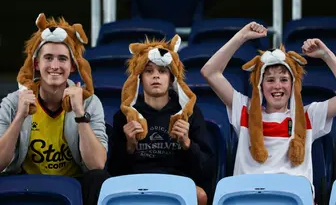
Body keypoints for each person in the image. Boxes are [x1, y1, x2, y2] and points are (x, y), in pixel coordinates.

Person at [201, 22, 336, 198]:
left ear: (293, 85)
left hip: (291, 199)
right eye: (270, 80)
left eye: (284, 79)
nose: (277, 86)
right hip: (248, 199)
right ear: (260, 85)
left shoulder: (309, 115)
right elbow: (210, 72)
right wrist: (241, 37)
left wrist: (326, 56)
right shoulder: (244, 109)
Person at [0, 13, 109, 205]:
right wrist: (19, 117)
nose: (55, 66)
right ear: (36, 64)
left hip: (73, 184)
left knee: (99, 180)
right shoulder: (12, 102)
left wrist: (79, 114)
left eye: (62, 59)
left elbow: (97, 165)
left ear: (73, 66)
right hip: (25, 182)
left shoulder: (90, 102)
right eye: (48, 58)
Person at [107, 35, 215, 205]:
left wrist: (187, 144)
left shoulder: (189, 113)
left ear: (172, 78)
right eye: (149, 71)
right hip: (136, 184)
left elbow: (207, 170)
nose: (155, 76)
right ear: (139, 78)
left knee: (200, 195)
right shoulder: (126, 115)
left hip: (177, 183)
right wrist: (128, 146)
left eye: (162, 71)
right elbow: (113, 172)